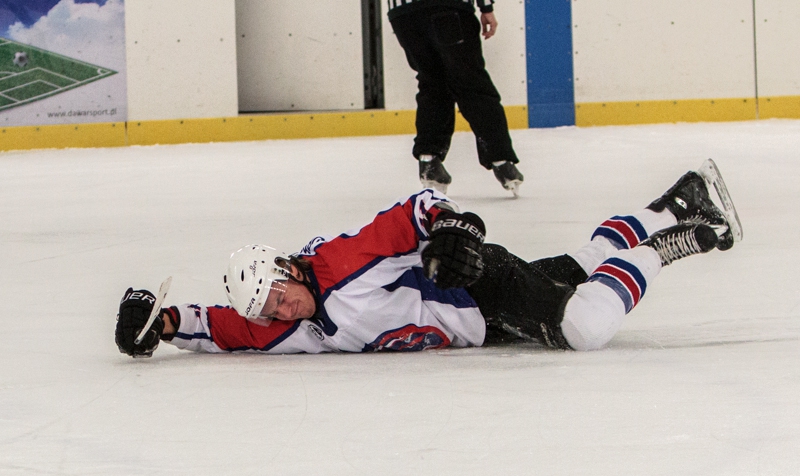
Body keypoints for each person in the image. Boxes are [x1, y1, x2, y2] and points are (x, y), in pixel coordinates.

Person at [115, 161, 741, 357]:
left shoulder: (338, 262)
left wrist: (454, 229)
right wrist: (157, 320)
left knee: (584, 327)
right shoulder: (275, 322)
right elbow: (218, 326)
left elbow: (415, 211)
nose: (282, 309)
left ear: (287, 267)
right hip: (476, 324)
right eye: (271, 309)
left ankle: (664, 247)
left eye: (278, 293)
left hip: (472, 285)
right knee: (581, 267)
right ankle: (673, 204)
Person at [387, 0, 523, 196]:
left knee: (432, 83)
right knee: (472, 83)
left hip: (403, 15)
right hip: (449, 8)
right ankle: (501, 160)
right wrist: (486, 7)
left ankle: (429, 158)